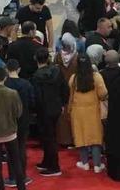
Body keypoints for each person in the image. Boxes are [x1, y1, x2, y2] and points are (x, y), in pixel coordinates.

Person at [31, 47, 68, 177]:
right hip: (56, 108)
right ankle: (47, 162)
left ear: (36, 59)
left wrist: (35, 110)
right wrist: (63, 103)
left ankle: (54, 166)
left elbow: (37, 97)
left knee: (48, 138)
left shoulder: (36, 76)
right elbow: (65, 88)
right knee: (49, 136)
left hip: (44, 110)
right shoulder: (57, 71)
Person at [69, 53, 108, 172]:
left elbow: (70, 95)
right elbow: (103, 93)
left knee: (81, 135)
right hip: (94, 111)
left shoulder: (73, 78)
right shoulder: (96, 77)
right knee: (95, 137)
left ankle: (84, 163)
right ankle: (97, 165)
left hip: (77, 111)